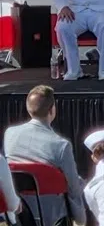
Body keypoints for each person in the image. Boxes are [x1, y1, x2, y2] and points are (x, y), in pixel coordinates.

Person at [3, 85, 86, 225]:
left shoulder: (9, 134)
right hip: (53, 217)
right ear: (52, 110)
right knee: (79, 183)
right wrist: (80, 219)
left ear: (28, 109)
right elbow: (73, 189)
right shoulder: (61, 145)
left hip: (20, 216)